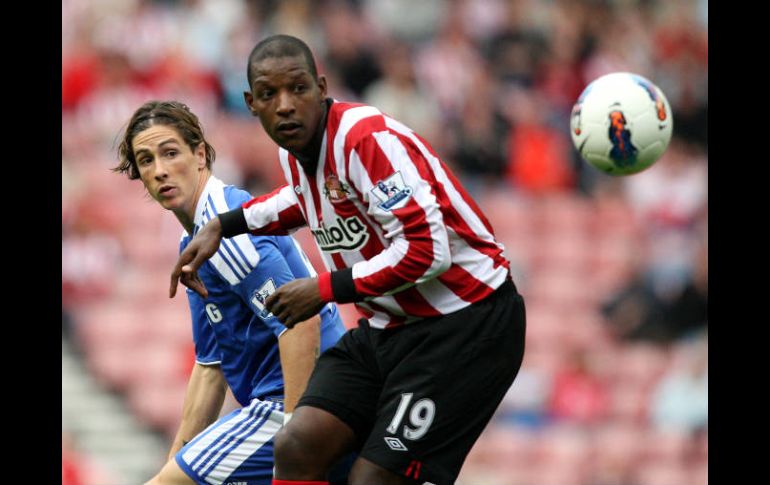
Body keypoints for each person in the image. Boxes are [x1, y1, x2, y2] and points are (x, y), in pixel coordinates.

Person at [170, 35, 527, 485]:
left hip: (465, 325)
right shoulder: (298, 152)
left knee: (374, 479)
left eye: (297, 89)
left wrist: (322, 289)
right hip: (389, 327)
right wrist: (224, 225)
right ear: (250, 103)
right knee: (298, 444)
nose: (284, 105)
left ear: (321, 88)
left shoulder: (364, 139)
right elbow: (302, 201)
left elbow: (426, 250)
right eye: (268, 94)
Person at [114, 100, 348, 485]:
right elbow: (210, 367)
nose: (159, 171)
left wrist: (296, 440)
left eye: (170, 153)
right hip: (306, 401)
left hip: (295, 404)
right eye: (145, 161)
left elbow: (300, 323)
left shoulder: (226, 232)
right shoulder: (195, 240)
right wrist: (174, 465)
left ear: (200, 154)